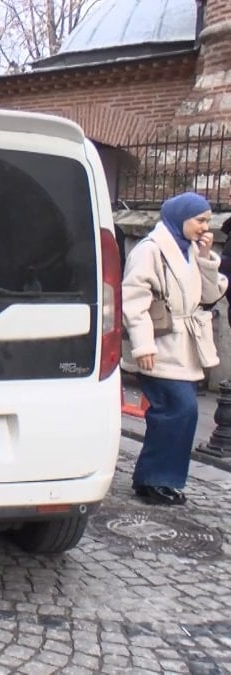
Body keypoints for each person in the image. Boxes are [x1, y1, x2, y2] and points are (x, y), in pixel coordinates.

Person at [123, 192, 227, 506]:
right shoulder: (150, 250)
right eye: (200, 220)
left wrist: (208, 259)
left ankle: (153, 479)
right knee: (179, 410)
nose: (205, 227)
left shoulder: (193, 250)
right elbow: (134, 301)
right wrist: (142, 345)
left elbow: (210, 296)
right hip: (160, 345)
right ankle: (158, 479)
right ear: (181, 218)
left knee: (175, 413)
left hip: (186, 347)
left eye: (208, 220)